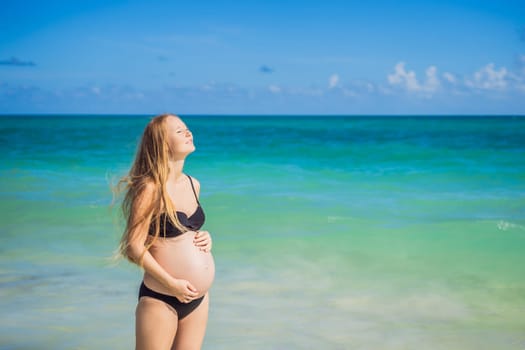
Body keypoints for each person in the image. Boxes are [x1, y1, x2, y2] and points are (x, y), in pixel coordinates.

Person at [117, 114, 215, 350]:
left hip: (198, 299)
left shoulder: (194, 183)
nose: (188, 132)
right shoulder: (149, 188)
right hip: (162, 298)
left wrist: (205, 237)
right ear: (162, 143)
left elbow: (184, 231)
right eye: (179, 131)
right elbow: (133, 246)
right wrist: (171, 285)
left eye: (187, 128)